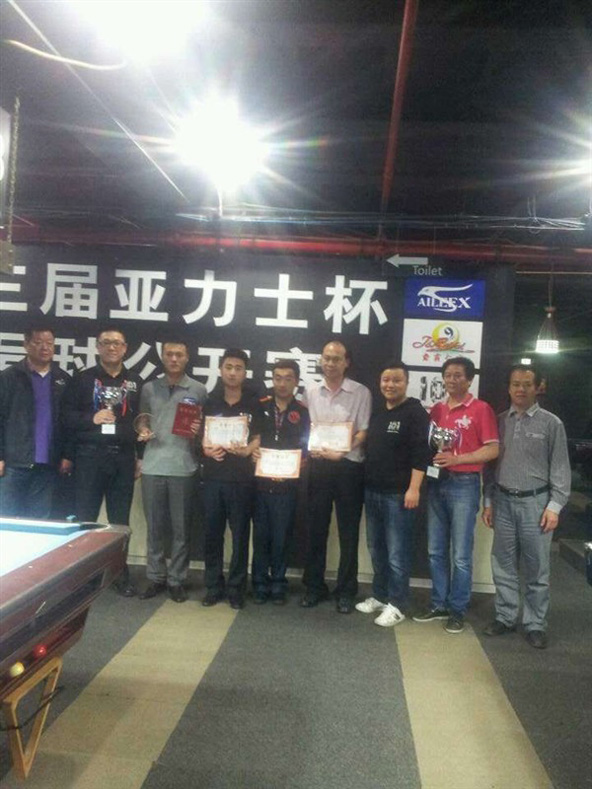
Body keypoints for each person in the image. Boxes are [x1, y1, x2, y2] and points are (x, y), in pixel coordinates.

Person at [482, 364, 571, 649]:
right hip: (503, 502)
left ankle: (535, 624)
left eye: (527, 384)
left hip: (536, 504)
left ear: (538, 387)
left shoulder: (551, 423)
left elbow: (561, 468)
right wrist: (488, 501)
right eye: (515, 384)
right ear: (509, 388)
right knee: (503, 564)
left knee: (537, 568)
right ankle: (505, 617)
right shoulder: (499, 421)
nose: (520, 389)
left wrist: (555, 506)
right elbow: (489, 467)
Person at [413, 356, 499, 634]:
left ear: (470, 379)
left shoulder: (481, 409)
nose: (452, 380)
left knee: (461, 553)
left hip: (464, 483)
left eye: (458, 375)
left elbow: (492, 449)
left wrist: (458, 459)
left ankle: (457, 609)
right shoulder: (437, 410)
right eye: (448, 375)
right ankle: (439, 603)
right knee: (435, 550)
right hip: (437, 483)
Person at [62, 326, 142, 596]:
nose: (111, 347)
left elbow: (141, 421)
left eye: (117, 343)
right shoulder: (83, 379)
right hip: (89, 457)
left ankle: (120, 574)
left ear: (125, 348)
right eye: (106, 342)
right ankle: (82, 577)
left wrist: (140, 454)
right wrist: (91, 418)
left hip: (123, 458)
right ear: (97, 347)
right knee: (86, 519)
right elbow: (66, 417)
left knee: (120, 521)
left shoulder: (135, 381)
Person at [356, 362, 431, 627]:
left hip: (399, 495)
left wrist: (414, 488)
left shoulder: (415, 413)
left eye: (396, 380)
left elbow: (422, 454)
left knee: (398, 554)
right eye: (386, 380)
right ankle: (380, 595)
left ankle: (398, 604)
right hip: (373, 491)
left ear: (406, 382)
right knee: (376, 549)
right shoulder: (378, 412)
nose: (390, 385)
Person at [300, 340, 372, 614]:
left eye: (336, 359)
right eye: (326, 358)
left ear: (346, 362)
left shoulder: (360, 392)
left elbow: (363, 431)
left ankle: (346, 591)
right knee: (315, 529)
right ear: (321, 360)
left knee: (348, 532)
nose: (330, 363)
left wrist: (342, 451)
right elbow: (306, 428)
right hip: (318, 467)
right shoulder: (310, 390)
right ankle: (314, 587)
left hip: (348, 468)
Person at [137, 341, 207, 603]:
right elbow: (142, 419)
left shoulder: (198, 389)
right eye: (169, 354)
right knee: (154, 527)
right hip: (153, 465)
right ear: (162, 357)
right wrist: (143, 430)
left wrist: (198, 430)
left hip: (183, 466)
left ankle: (177, 579)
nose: (174, 359)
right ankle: (156, 576)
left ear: (187, 357)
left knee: (181, 530)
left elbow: (205, 429)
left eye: (179, 354)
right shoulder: (149, 388)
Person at [201, 349, 261, 610]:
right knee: (212, 535)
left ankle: (236, 588)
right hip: (213, 478)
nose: (233, 372)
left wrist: (248, 450)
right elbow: (198, 437)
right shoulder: (209, 402)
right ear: (221, 370)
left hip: (242, 479)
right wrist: (205, 449)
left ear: (245, 372)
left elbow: (259, 436)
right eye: (228, 367)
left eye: (238, 368)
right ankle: (213, 586)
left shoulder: (254, 403)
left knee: (240, 536)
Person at [251, 359, 310, 605]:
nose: (282, 383)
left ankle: (278, 584)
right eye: (277, 378)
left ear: (296, 381)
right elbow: (252, 437)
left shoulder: (303, 411)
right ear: (272, 379)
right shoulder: (260, 406)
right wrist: (253, 452)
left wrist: (301, 461)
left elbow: (307, 444)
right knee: (261, 536)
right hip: (260, 484)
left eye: (288, 378)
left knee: (281, 536)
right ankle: (259, 583)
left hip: (287, 486)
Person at [0, 323, 70, 518]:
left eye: (49, 343)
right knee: (5, 520)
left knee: (39, 521)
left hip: (48, 464)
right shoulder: (8, 377)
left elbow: (68, 423)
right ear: (26, 344)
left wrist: (67, 455)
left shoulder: (63, 379)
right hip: (14, 464)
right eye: (38, 342)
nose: (45, 347)